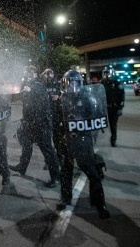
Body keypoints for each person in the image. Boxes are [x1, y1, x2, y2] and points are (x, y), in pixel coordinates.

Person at [56, 69, 110, 219]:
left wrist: (87, 131)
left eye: (74, 83)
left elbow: (96, 118)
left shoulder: (88, 98)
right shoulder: (61, 100)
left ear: (80, 83)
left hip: (82, 140)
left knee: (93, 173)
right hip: (67, 141)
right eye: (68, 83)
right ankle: (65, 198)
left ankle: (100, 204)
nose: (71, 87)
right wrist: (59, 137)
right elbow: (56, 122)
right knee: (66, 172)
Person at [9, 65, 60, 188]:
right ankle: (22, 167)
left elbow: (40, 99)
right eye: (27, 73)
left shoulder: (37, 84)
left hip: (41, 123)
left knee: (47, 150)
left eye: (30, 73)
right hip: (30, 122)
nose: (28, 76)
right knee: (26, 144)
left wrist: (29, 89)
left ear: (35, 74)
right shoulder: (28, 85)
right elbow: (18, 98)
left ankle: (56, 177)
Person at [40, 68, 63, 168]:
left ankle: (59, 158)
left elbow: (64, 94)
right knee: (47, 141)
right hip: (46, 115)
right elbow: (39, 98)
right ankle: (49, 161)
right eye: (47, 74)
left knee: (57, 138)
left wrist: (59, 97)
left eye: (50, 74)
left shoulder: (57, 84)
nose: (49, 76)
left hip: (56, 114)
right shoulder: (42, 85)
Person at [100, 67, 125, 147]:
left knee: (113, 124)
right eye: (105, 73)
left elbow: (122, 96)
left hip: (113, 107)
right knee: (99, 124)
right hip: (103, 108)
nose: (106, 75)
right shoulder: (101, 84)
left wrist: (120, 108)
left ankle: (113, 140)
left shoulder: (117, 83)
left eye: (107, 73)